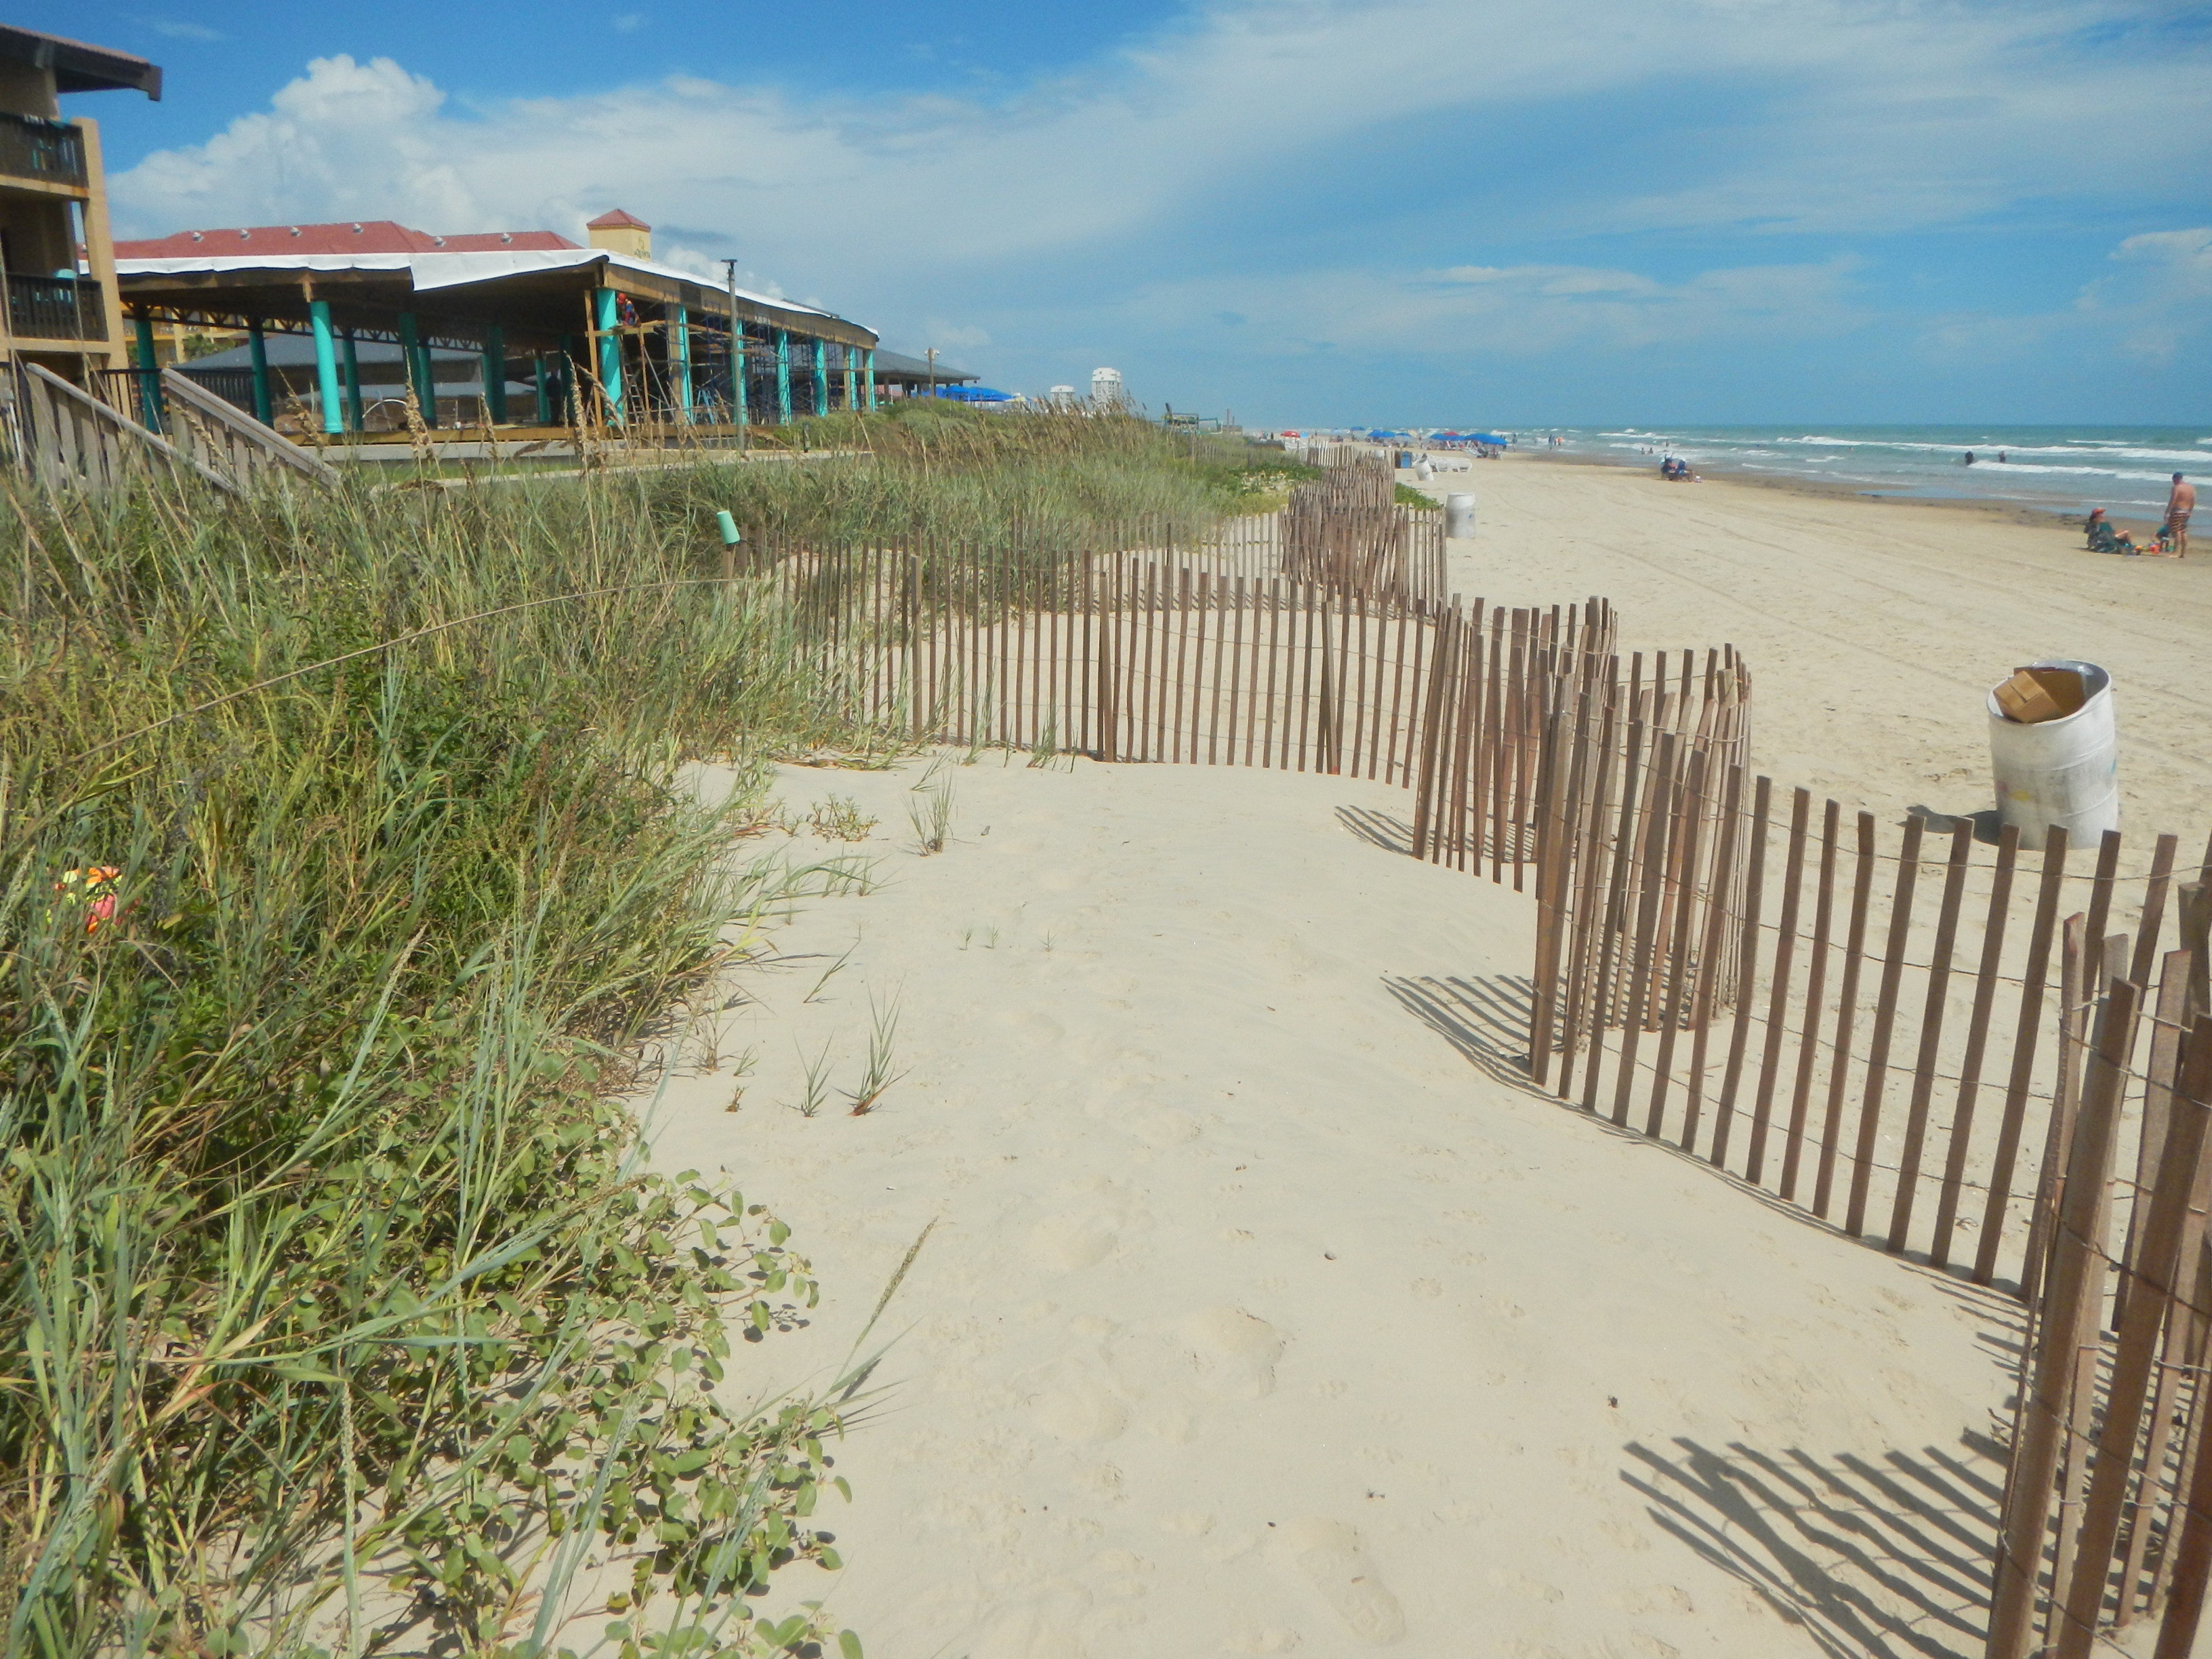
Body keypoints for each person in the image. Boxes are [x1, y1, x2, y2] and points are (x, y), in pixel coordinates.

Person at [2165, 472, 2194, 559]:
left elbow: (2173, 500)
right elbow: (2193, 500)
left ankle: (2175, 552)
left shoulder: (2176, 488)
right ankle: (2183, 553)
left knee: (2176, 531)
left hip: (2177, 511)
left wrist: (2167, 513)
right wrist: (2190, 511)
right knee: (2183, 531)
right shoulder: (2190, 488)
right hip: (2186, 511)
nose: (2173, 482)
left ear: (2175, 479)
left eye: (2173, 480)